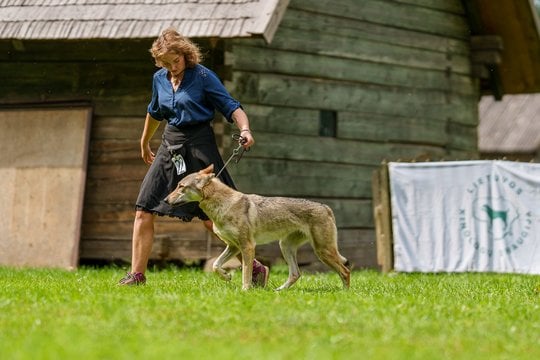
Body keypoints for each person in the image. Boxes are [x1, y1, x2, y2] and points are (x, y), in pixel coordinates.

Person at [118, 28, 269, 286]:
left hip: (199, 146)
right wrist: (144, 142)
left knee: (214, 220)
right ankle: (137, 275)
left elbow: (231, 106)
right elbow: (154, 112)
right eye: (165, 64)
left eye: (175, 61)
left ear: (186, 55)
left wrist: (244, 129)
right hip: (170, 146)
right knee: (143, 208)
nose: (172, 68)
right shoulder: (159, 79)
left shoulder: (203, 76)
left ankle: (254, 267)